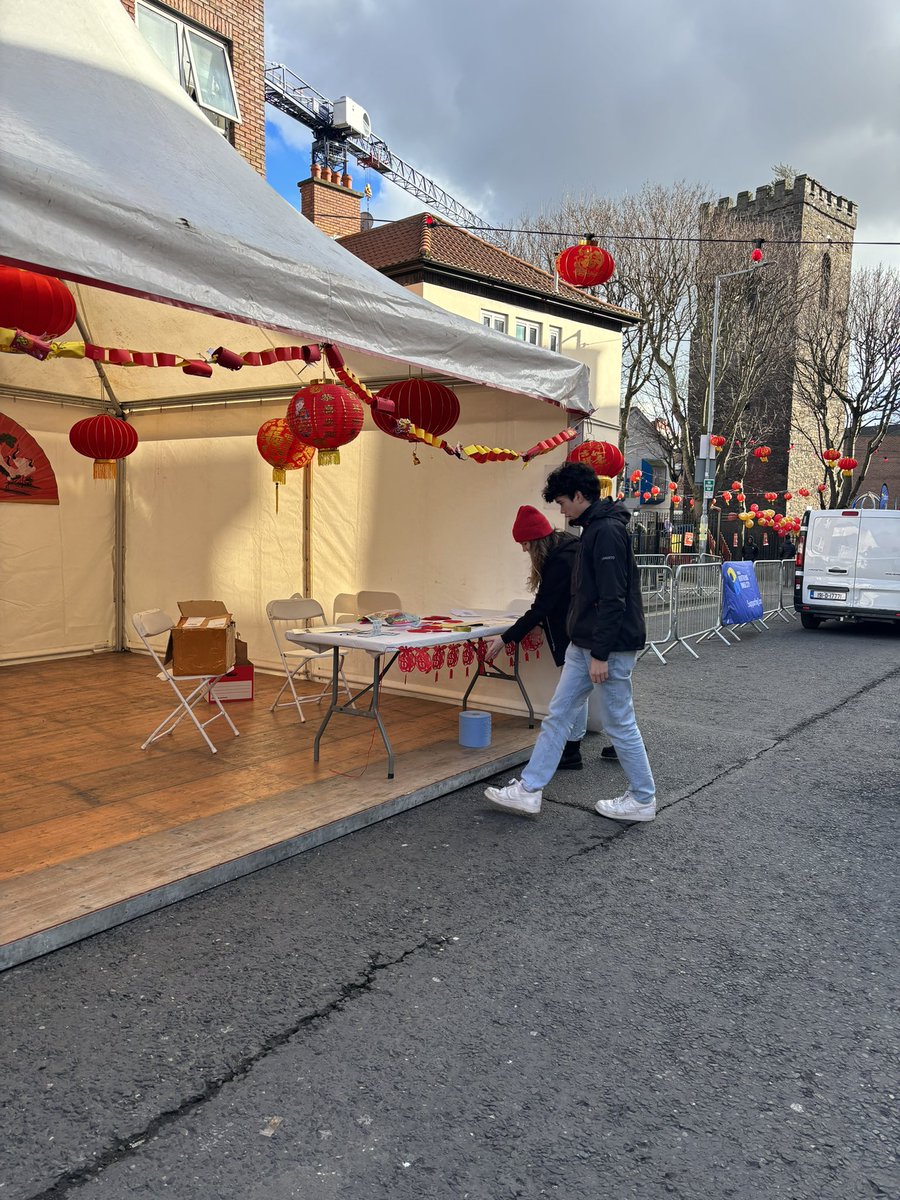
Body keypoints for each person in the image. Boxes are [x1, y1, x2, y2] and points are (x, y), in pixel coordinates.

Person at [485, 461, 656, 822]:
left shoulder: (605, 532)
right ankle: (529, 790)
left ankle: (642, 797)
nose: (560, 510)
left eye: (562, 501)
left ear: (579, 496)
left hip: (602, 647)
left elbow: (613, 598)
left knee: (619, 722)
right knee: (559, 716)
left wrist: (600, 653)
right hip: (586, 645)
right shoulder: (595, 530)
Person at [483, 505, 616, 771]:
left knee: (578, 694)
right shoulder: (567, 547)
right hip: (587, 630)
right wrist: (540, 625)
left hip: (582, 633)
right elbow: (553, 603)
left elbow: (543, 606)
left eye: (524, 544)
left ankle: (571, 752)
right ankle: (591, 748)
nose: (523, 550)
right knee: (599, 693)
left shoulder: (560, 560)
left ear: (536, 541)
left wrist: (505, 639)